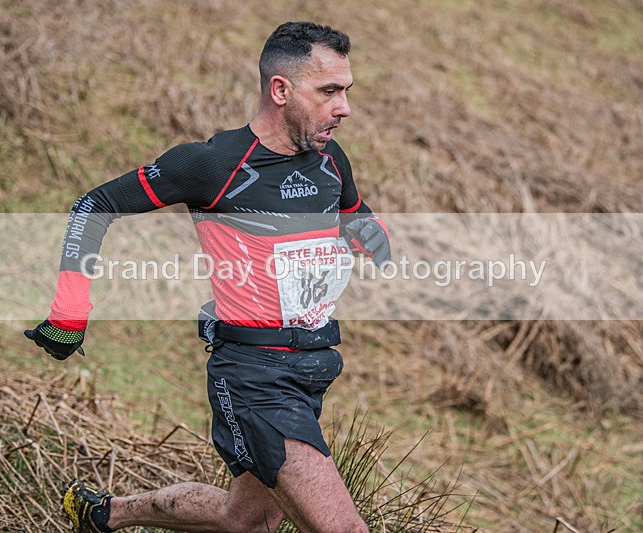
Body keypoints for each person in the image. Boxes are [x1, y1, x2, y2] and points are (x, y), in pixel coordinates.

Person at [25, 21, 390, 533]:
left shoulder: (329, 160)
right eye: (329, 91)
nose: (345, 107)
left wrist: (370, 233)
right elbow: (95, 205)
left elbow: (354, 212)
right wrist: (69, 311)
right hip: (255, 379)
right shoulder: (212, 165)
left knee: (239, 518)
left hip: (314, 369)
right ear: (280, 91)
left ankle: (103, 516)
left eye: (347, 91)